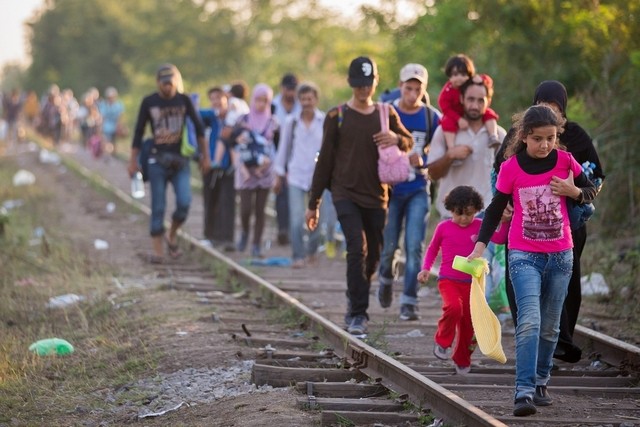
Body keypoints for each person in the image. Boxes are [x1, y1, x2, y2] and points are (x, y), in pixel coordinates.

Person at [467, 104, 597, 416]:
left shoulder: (565, 160)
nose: (545, 145)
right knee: (529, 321)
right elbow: (496, 208)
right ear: (525, 137)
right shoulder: (511, 167)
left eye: (551, 138)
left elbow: (591, 191)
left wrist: (573, 190)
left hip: (561, 256)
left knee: (551, 327)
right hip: (524, 255)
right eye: (538, 138)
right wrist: (479, 247)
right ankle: (523, 390)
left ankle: (541, 381)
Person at [494, 80, 605, 363]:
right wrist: (504, 206)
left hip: (567, 227)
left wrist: (576, 193)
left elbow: (595, 179)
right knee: (521, 282)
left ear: (563, 111)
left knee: (563, 285)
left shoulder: (577, 137)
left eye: (555, 108)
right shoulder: (518, 136)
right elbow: (499, 175)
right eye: (543, 106)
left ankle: (559, 342)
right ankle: (529, 345)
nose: (549, 112)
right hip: (522, 227)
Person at [305, 56, 413, 335]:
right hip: (344, 193)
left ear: (375, 82)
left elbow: (409, 141)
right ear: (350, 84)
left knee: (373, 257)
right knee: (356, 248)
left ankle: (357, 295)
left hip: (377, 196)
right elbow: (325, 162)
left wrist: (397, 139)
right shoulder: (336, 116)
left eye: (368, 83)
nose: (364, 89)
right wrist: (313, 203)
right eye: (359, 84)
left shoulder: (385, 113)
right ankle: (357, 313)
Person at [417, 185, 509, 374]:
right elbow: (433, 249)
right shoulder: (443, 227)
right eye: (459, 214)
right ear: (450, 210)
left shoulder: (480, 226)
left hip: (472, 284)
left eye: (469, 214)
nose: (464, 218)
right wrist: (426, 268)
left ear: (477, 210)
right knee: (453, 308)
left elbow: (499, 238)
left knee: (468, 323)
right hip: (448, 280)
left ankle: (462, 358)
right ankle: (442, 341)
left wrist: (505, 221)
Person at [376, 63, 441, 321]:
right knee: (389, 245)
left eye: (418, 89)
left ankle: (409, 301)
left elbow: (439, 151)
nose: (412, 93)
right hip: (391, 190)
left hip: (417, 188)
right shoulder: (387, 113)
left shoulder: (431, 117)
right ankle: (385, 277)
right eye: (408, 87)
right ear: (400, 86)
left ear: (423, 90)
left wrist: (423, 160)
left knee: (414, 246)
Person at [127, 63, 210, 263]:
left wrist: (205, 157)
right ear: (158, 83)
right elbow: (139, 132)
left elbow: (199, 131)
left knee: (184, 202)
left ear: (176, 82)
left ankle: (171, 234)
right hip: (157, 160)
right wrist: (132, 160)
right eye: (164, 84)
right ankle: (158, 252)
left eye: (170, 84)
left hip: (180, 161)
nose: (167, 87)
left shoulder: (184, 100)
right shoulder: (149, 102)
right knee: (158, 206)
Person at [428, 77, 507, 218]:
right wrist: (449, 156)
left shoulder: (498, 135)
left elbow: (507, 176)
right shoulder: (446, 132)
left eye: (480, 100)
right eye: (471, 99)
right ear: (462, 99)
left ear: (488, 101)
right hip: (452, 213)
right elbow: (432, 174)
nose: (475, 106)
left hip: (486, 213)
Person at [273, 82, 324, 267]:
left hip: (318, 177)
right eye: (303, 99)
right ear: (299, 101)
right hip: (295, 175)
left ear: (316, 100)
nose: (307, 102)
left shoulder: (324, 121)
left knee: (316, 218)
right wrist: (278, 175)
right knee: (296, 217)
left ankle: (312, 250)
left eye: (310, 99)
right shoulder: (291, 122)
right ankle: (298, 255)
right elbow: (283, 149)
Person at [230, 83, 278, 258]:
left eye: (265, 100)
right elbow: (232, 142)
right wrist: (240, 165)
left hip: (265, 170)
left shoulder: (273, 122)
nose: (261, 104)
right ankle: (244, 232)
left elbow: (277, 147)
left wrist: (270, 167)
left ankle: (256, 244)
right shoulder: (243, 119)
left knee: (260, 210)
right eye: (258, 99)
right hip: (245, 169)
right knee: (245, 208)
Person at [438, 54, 501, 157]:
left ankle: (493, 136)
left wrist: (480, 79)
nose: (459, 78)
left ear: (469, 75)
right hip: (454, 115)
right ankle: (451, 148)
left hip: (469, 112)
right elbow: (445, 108)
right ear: (449, 76)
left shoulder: (470, 83)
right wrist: (458, 119)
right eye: (454, 75)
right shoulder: (447, 91)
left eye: (463, 75)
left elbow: (488, 81)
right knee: (447, 122)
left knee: (489, 113)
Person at [199, 86, 236, 250]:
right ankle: (210, 235)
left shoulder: (234, 117)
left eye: (219, 98)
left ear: (226, 98)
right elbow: (196, 114)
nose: (216, 102)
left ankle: (227, 237)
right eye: (212, 99)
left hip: (228, 166)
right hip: (210, 165)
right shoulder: (210, 118)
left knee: (227, 202)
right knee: (210, 201)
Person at [272, 73, 302, 246]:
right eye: (288, 89)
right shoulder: (273, 106)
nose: (290, 93)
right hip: (277, 152)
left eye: (293, 89)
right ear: (282, 88)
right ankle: (283, 229)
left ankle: (293, 230)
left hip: (296, 153)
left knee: (295, 193)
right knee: (281, 193)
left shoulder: (301, 106)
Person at [99, 86, 125, 155]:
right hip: (106, 126)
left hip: (115, 125)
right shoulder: (104, 105)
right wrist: (100, 126)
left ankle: (113, 154)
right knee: (106, 141)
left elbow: (120, 117)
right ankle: (107, 154)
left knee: (114, 141)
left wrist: (120, 126)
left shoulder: (119, 105)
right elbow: (102, 117)